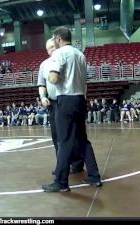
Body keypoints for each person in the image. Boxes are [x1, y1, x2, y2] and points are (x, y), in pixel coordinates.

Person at [42, 26, 101, 192]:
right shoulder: (80, 54)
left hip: (66, 100)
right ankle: (94, 176)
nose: (53, 42)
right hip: (80, 99)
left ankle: (61, 182)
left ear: (59, 38)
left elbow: (53, 78)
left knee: (64, 141)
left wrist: (48, 77)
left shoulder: (59, 54)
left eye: (54, 39)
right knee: (82, 139)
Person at [37, 37, 84, 177]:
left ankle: (76, 164)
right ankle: (62, 165)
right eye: (50, 48)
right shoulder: (44, 65)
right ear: (46, 51)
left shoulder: (66, 59)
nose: (53, 49)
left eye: (54, 46)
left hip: (67, 100)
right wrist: (43, 97)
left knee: (73, 134)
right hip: (53, 103)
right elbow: (41, 84)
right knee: (57, 135)